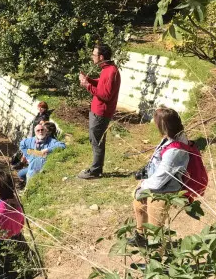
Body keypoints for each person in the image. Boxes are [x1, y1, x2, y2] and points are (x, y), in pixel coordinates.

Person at [128, 107, 190, 247]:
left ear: (163, 127)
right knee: (138, 205)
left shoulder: (175, 149)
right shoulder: (170, 138)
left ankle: (156, 261)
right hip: (154, 183)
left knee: (155, 227)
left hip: (163, 190)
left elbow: (160, 179)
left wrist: (142, 187)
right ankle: (140, 237)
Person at [77, 43, 121, 179]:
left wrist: (87, 85)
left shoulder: (111, 71)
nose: (92, 57)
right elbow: (102, 83)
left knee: (97, 141)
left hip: (102, 111)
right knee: (94, 139)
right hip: (97, 110)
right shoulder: (106, 69)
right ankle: (96, 168)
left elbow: (106, 95)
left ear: (101, 57)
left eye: (94, 55)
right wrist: (89, 80)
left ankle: (96, 171)